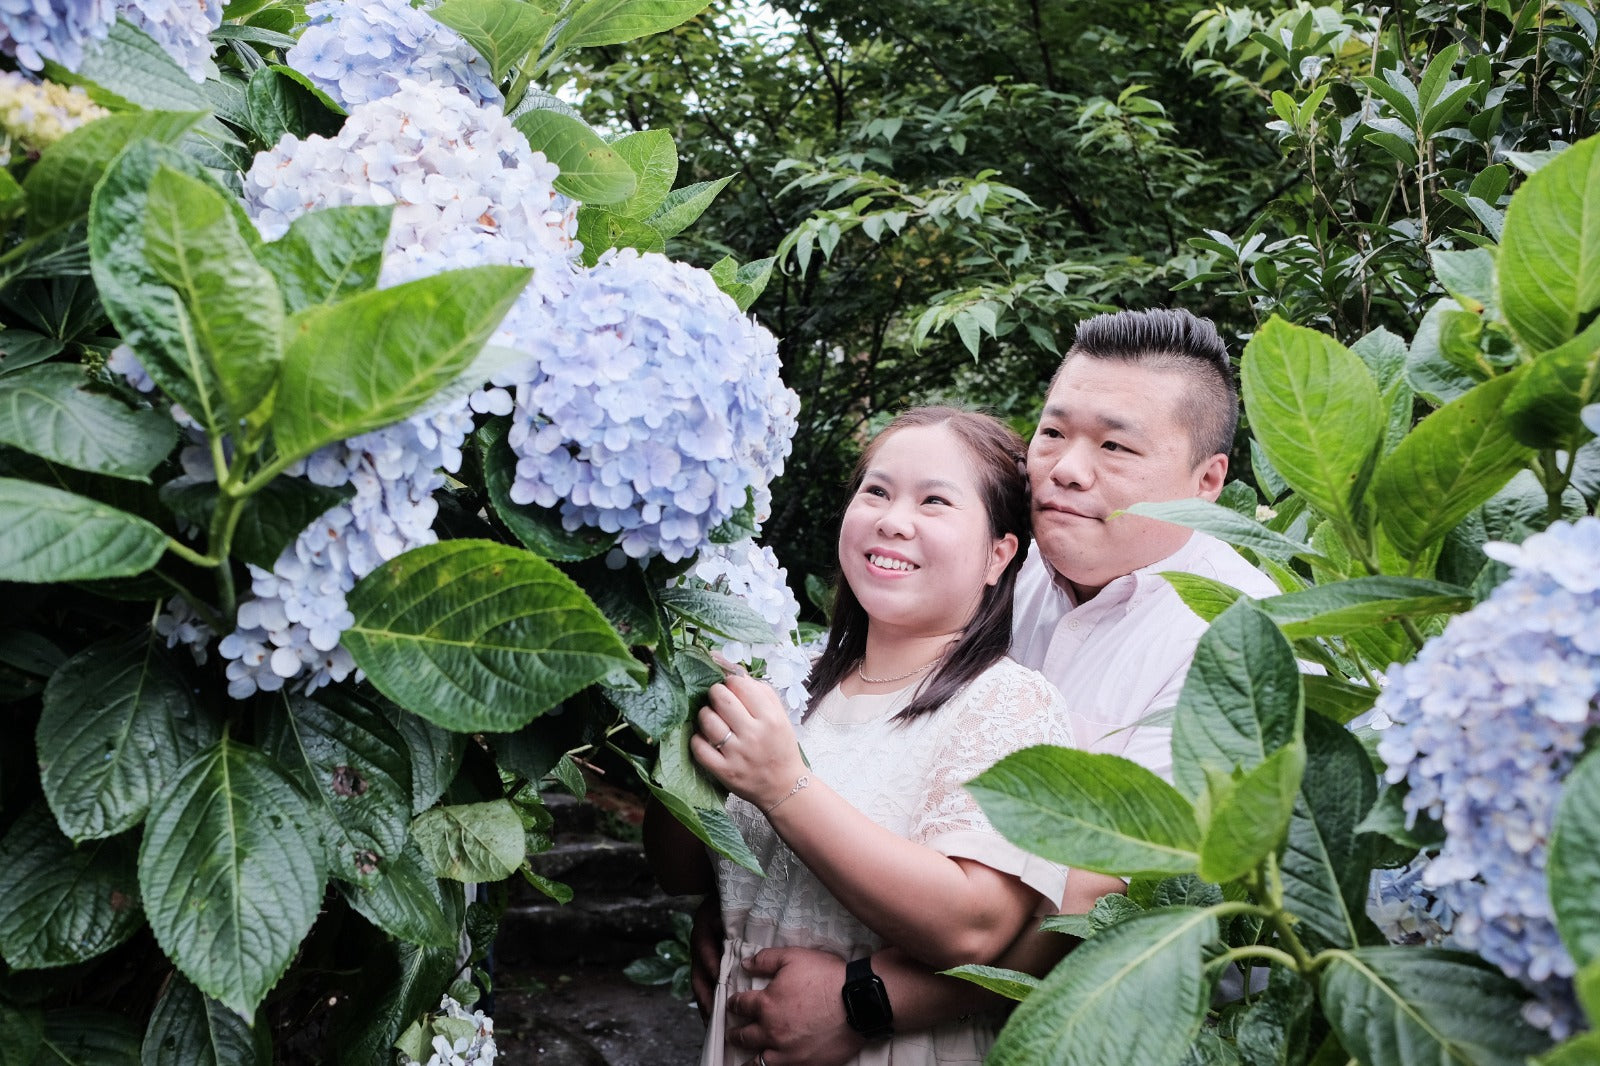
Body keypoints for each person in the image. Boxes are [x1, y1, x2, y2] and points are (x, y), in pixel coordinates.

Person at [706, 308, 1284, 1065]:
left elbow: (1102, 897)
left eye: (1115, 445)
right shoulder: (1008, 566)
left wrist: (865, 999)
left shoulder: (1240, 639)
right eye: (1053, 433)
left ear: (1206, 481)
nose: (1067, 469)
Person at [645, 407, 1118, 1066]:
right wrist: (675, 723)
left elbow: (974, 926)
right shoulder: (787, 679)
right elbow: (681, 871)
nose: (894, 519)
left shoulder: (1012, 704)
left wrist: (784, 787)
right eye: (877, 491)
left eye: (934, 501)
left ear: (998, 554)